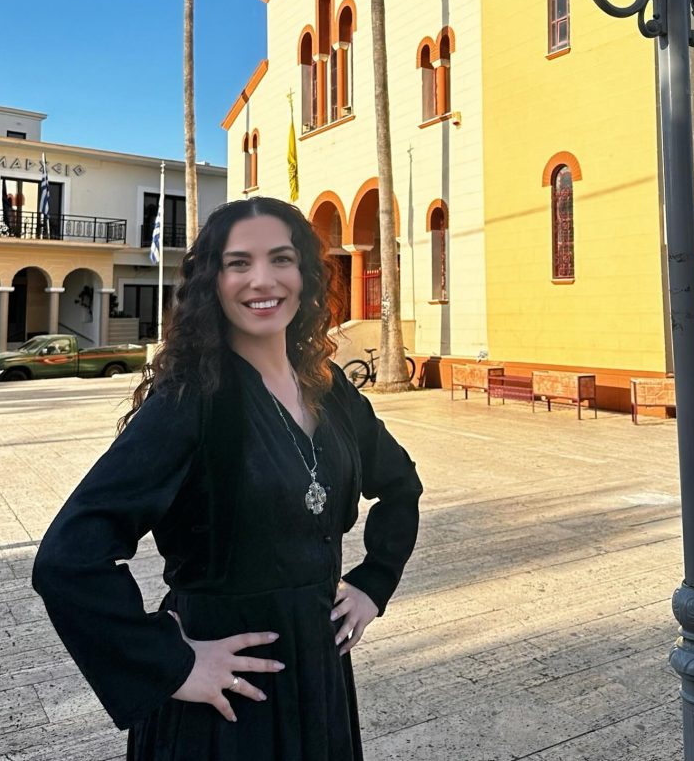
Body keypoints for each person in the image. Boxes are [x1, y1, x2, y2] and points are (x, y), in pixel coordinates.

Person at [32, 196, 423, 761]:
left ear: (305, 276)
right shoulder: (192, 401)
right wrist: (173, 665)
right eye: (239, 263)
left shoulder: (328, 386)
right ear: (212, 282)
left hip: (318, 675)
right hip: (225, 704)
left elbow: (401, 483)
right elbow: (69, 558)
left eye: (281, 259)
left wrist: (373, 583)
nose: (262, 279)